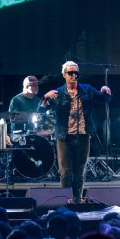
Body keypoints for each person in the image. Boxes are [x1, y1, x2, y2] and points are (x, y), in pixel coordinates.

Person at [41, 61, 111, 204]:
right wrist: (46, 97)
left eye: (76, 73)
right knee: (66, 171)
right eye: (70, 73)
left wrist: (106, 91)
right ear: (64, 75)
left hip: (83, 135)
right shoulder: (58, 93)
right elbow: (41, 109)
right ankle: (65, 201)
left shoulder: (87, 89)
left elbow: (105, 99)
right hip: (64, 137)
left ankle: (78, 200)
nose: (73, 75)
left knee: (80, 171)